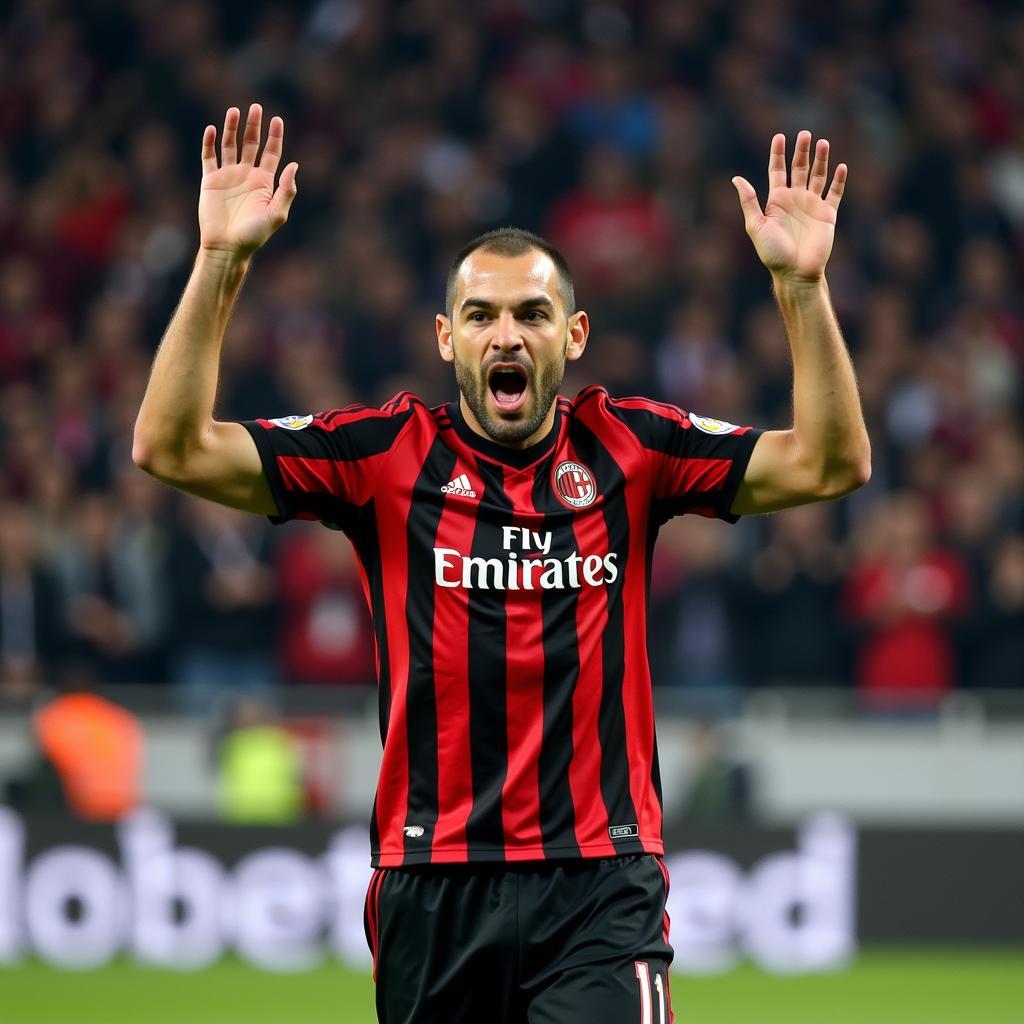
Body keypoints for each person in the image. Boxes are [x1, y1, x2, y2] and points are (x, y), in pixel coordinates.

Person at [133, 104, 870, 1023]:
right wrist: (221, 261)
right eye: (480, 316)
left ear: (576, 335)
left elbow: (831, 464)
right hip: (432, 884)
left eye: (533, 314)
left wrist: (801, 289)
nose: (506, 336)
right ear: (448, 340)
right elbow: (170, 447)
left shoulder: (634, 447)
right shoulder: (382, 456)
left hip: (600, 882)